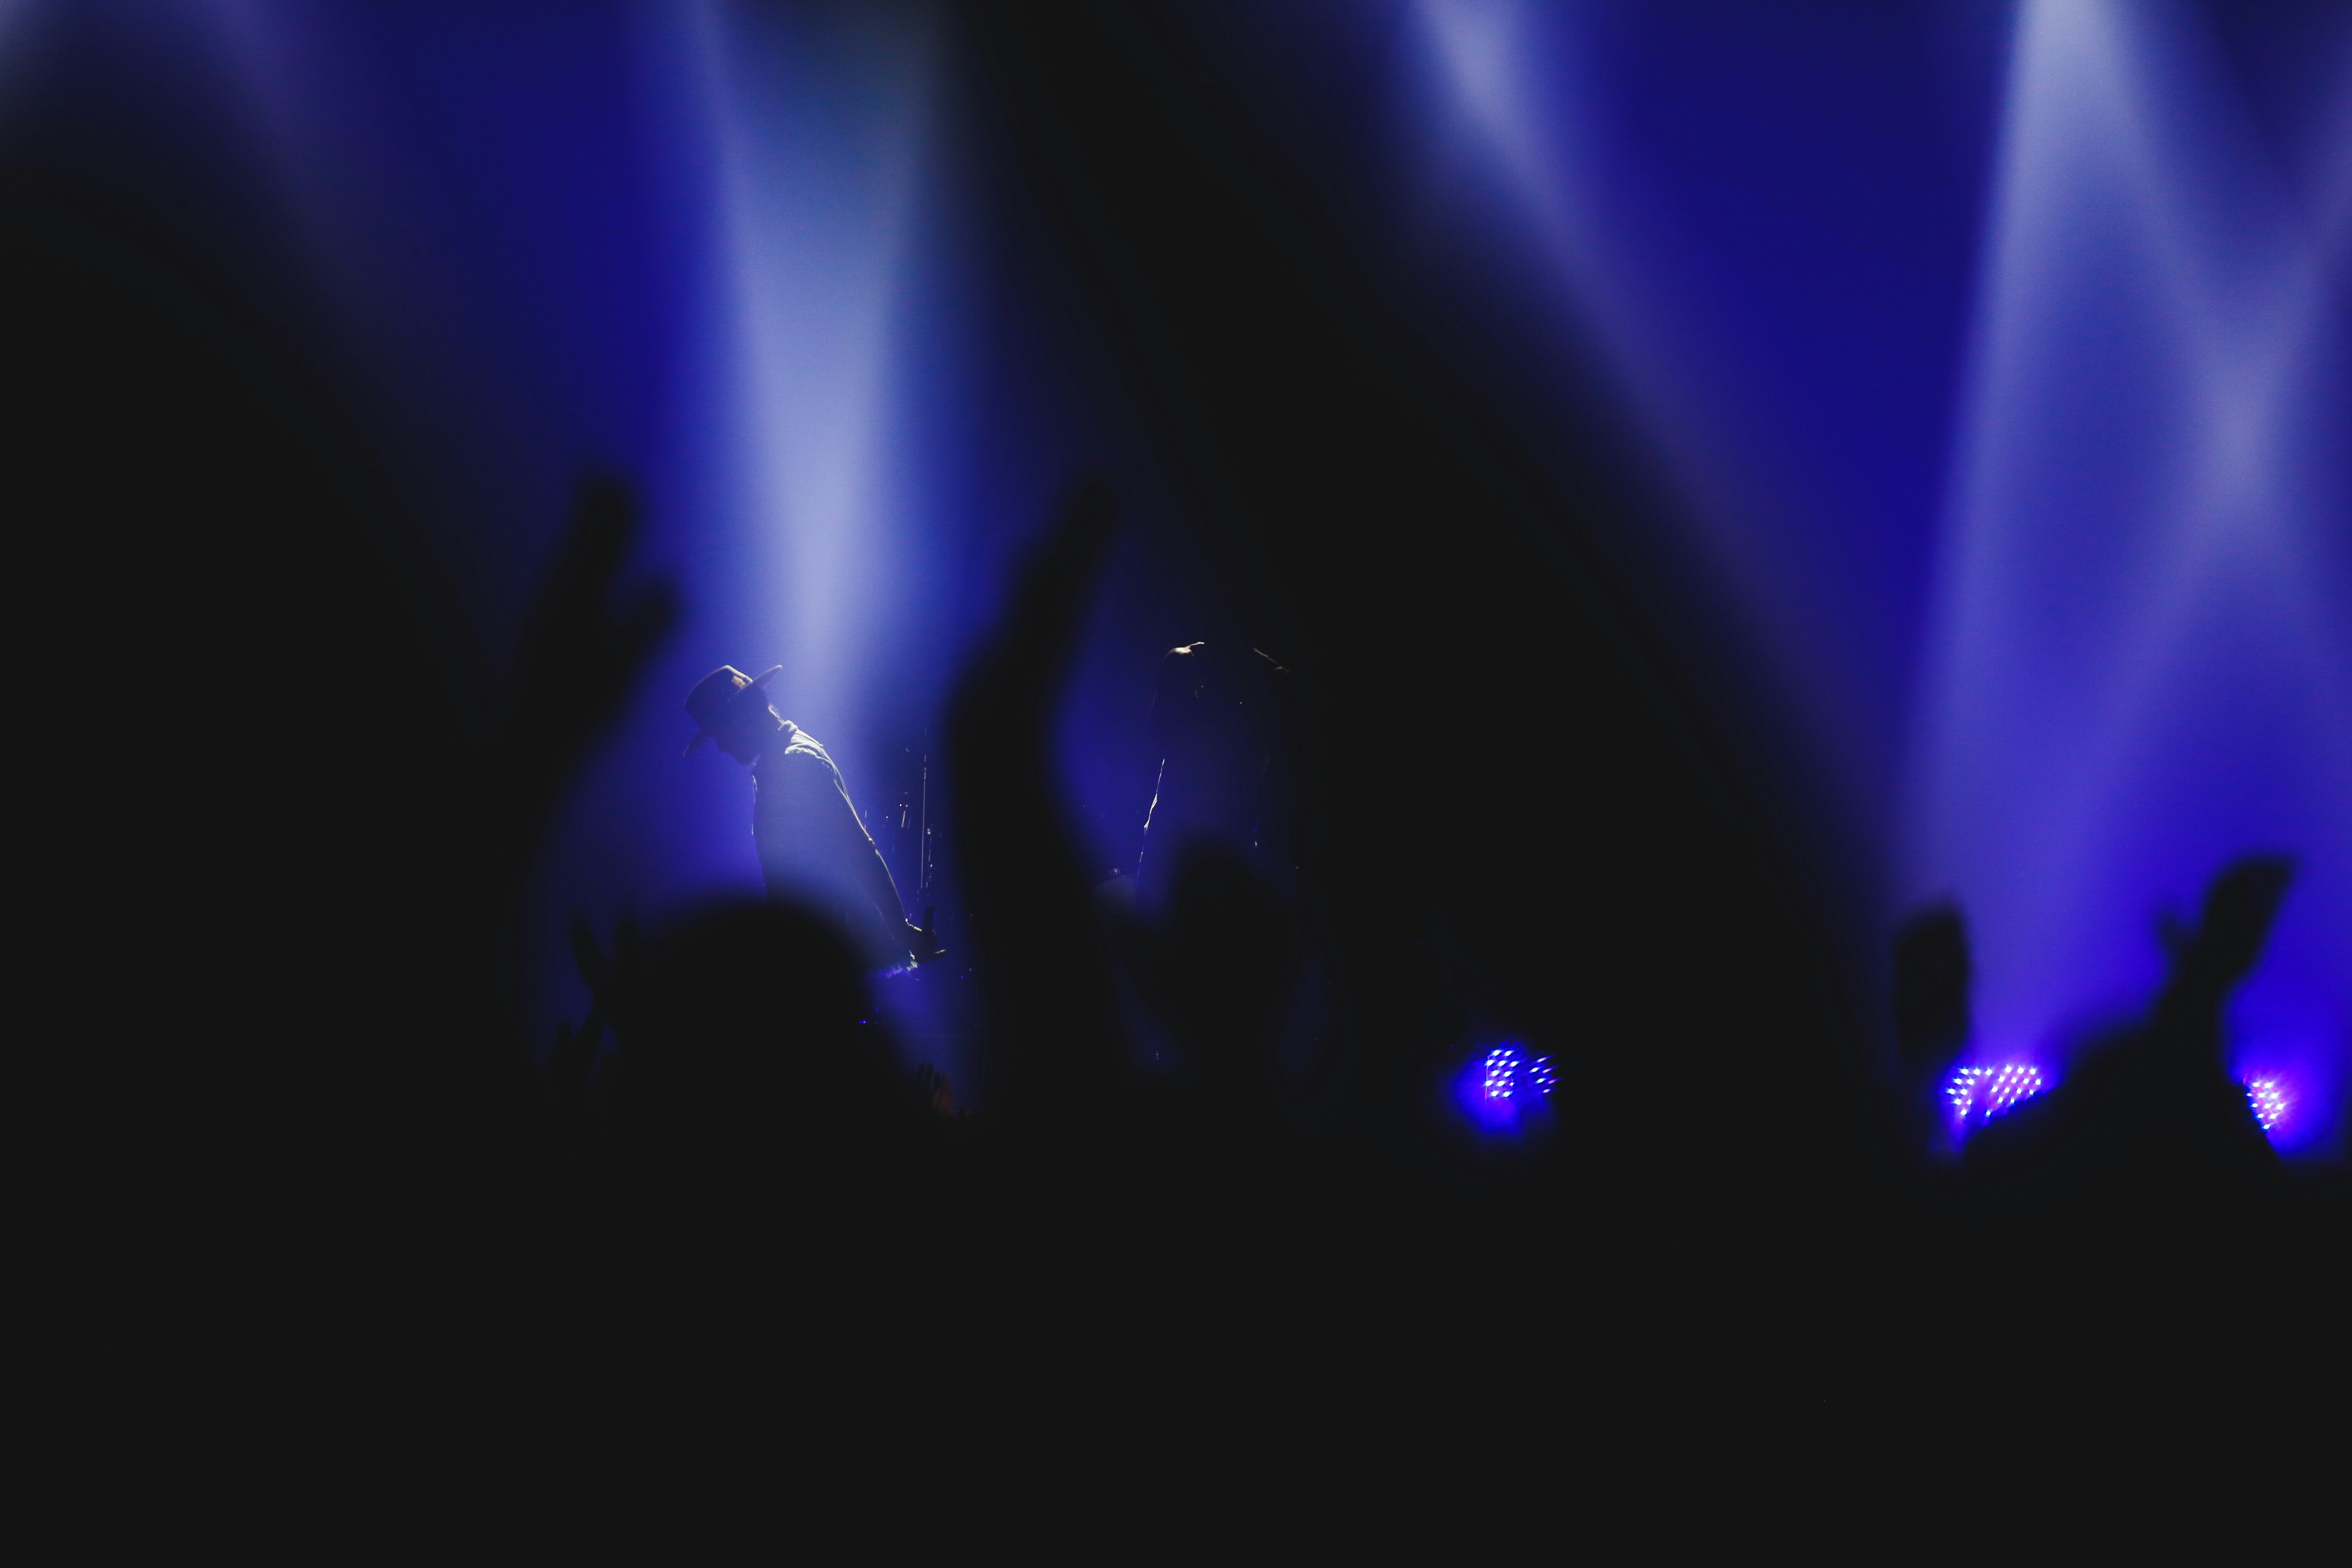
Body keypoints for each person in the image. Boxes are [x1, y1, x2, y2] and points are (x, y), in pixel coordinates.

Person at [685, 664, 940, 970]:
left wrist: (901, 931)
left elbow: (859, 850)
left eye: (719, 734)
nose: (721, 747)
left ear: (742, 717)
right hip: (828, 953)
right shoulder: (781, 764)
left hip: (839, 957)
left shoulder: (796, 764)